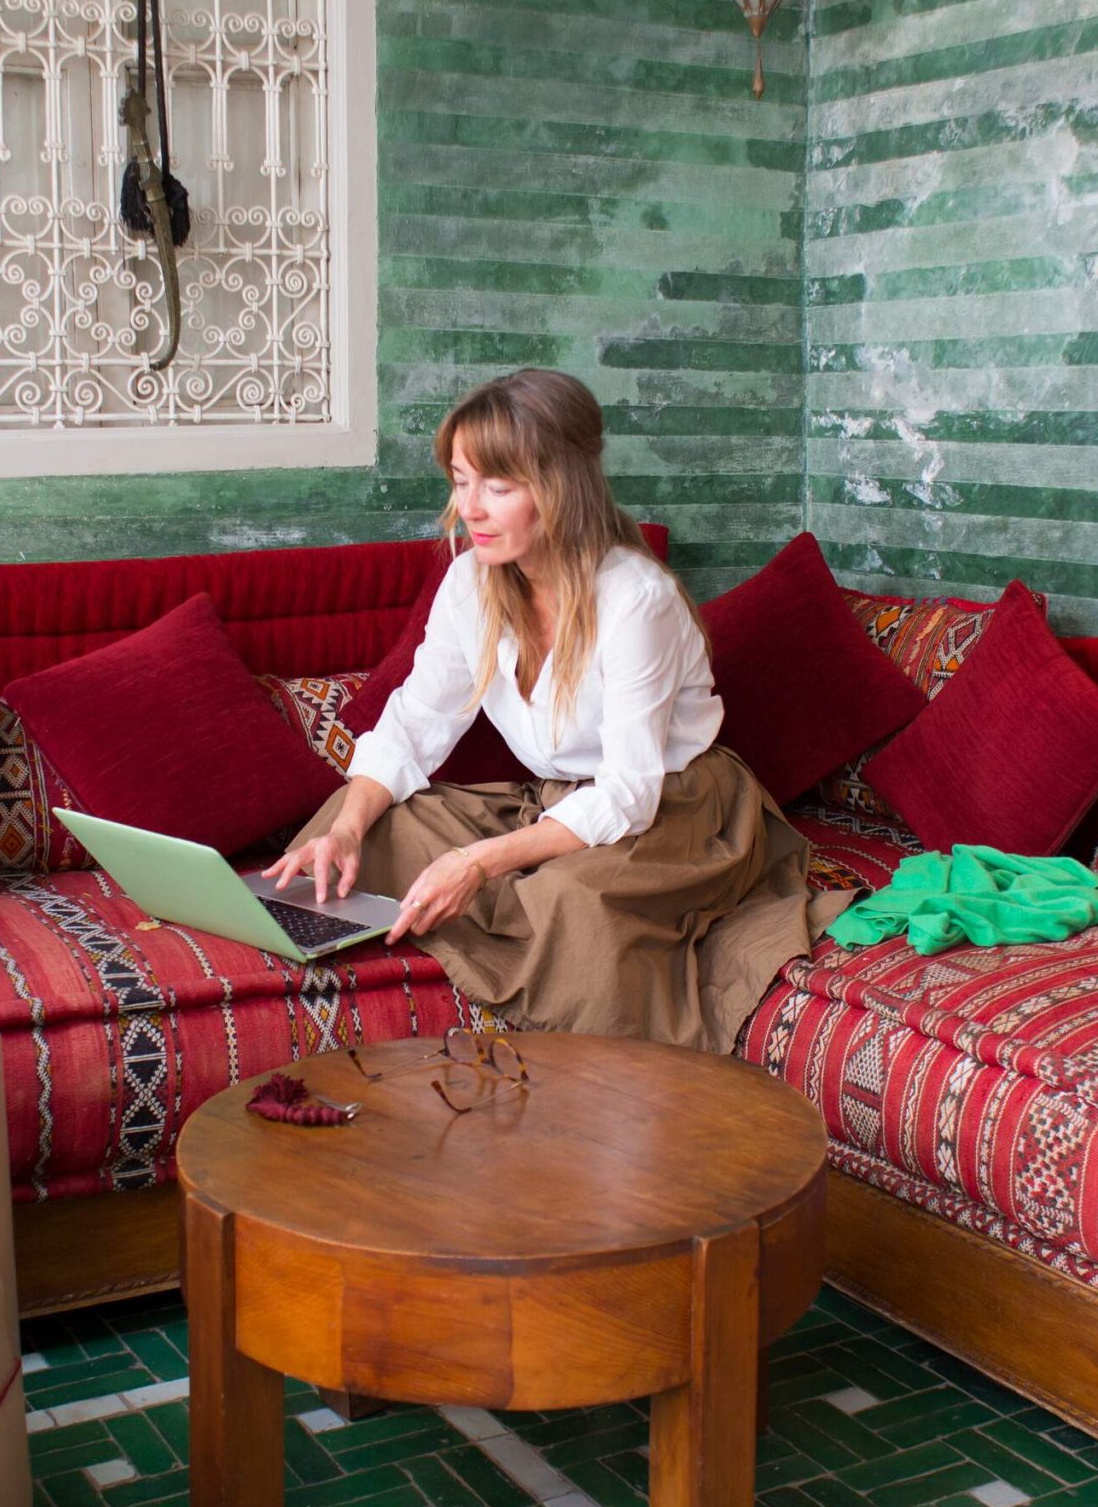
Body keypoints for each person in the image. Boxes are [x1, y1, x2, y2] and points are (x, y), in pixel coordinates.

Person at [265, 368, 849, 1051]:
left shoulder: (635, 598)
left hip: (679, 807)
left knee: (575, 905)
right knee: (363, 829)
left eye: (498, 486)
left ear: (560, 486)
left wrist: (479, 863)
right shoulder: (470, 582)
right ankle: (498, 905)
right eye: (460, 480)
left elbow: (630, 794)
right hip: (553, 804)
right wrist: (350, 826)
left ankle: (584, 1066)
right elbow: (413, 726)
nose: (469, 508)